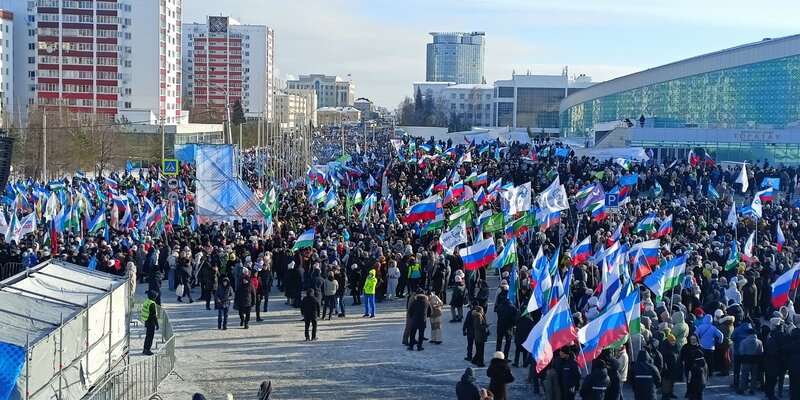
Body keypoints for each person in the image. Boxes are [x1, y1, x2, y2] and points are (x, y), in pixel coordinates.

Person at [737, 328, 762, 395]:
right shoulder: (759, 342)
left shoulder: (744, 341)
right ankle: (752, 389)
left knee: (744, 375)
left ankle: (742, 389)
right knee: (754, 376)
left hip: (746, 360)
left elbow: (741, 352)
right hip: (755, 360)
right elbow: (761, 352)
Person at [141, 290, 159, 356]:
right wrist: (157, 324)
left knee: (147, 336)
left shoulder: (147, 301)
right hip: (151, 322)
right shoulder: (152, 303)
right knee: (150, 337)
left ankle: (145, 348)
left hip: (146, 320)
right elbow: (154, 315)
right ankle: (147, 350)